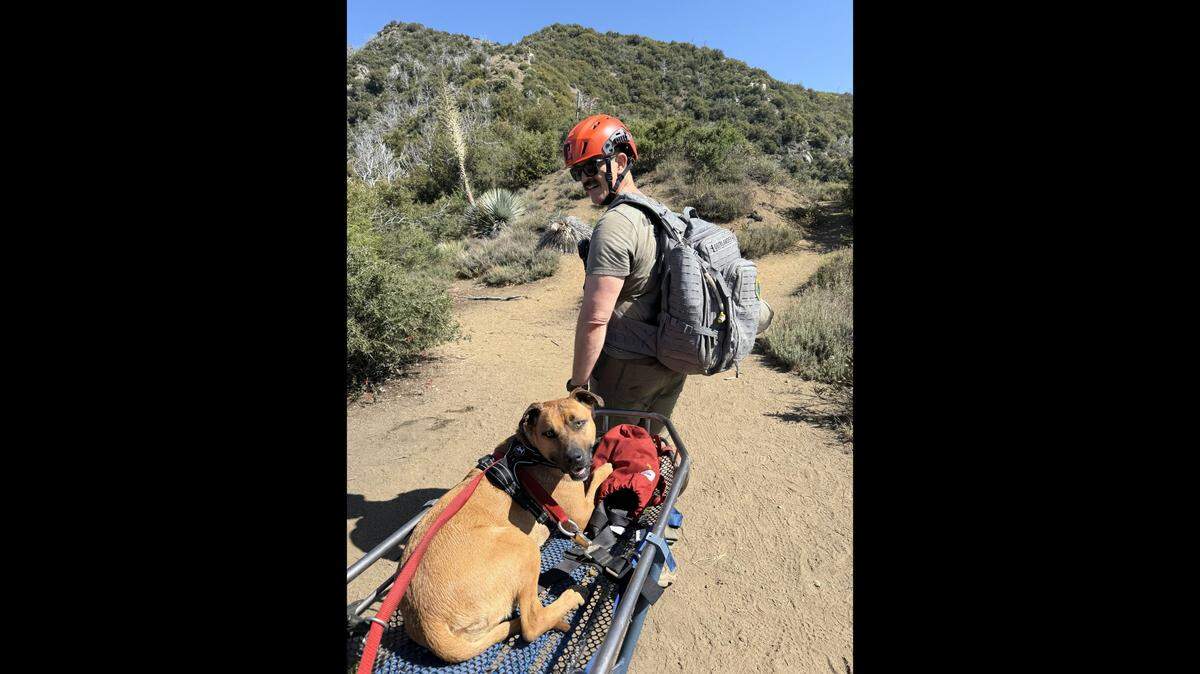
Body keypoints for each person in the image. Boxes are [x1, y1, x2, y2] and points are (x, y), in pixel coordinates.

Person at [561, 114, 684, 436]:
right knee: (645, 449)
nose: (584, 179)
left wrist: (578, 385)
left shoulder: (615, 224)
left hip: (627, 369)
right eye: (578, 172)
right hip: (671, 361)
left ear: (620, 160)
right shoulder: (662, 213)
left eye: (591, 168)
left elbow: (595, 320)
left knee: (608, 454)